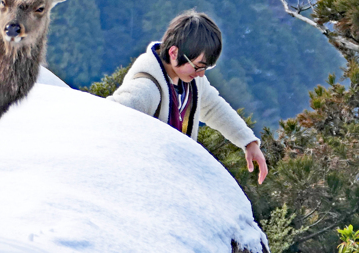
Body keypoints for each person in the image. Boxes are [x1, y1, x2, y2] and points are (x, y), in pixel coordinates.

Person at [108, 10, 268, 184]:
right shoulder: (147, 87)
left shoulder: (191, 83)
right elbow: (109, 116)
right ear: (174, 53)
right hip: (145, 182)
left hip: (173, 183)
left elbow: (214, 108)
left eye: (206, 68)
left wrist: (248, 142)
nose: (201, 74)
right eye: (198, 66)